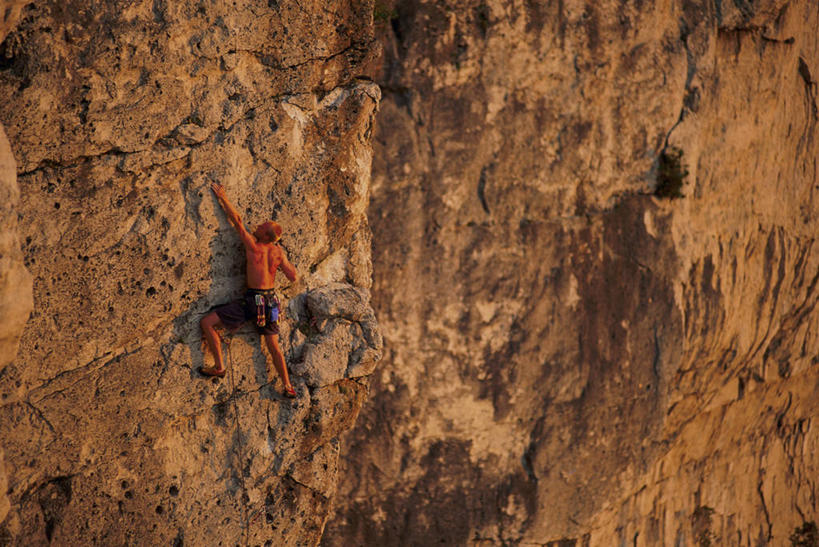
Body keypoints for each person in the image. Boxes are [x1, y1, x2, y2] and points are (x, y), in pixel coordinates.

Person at [199, 182, 298, 398]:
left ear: (264, 235)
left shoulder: (254, 246)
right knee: (274, 346)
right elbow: (293, 276)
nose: (258, 225)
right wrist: (279, 255)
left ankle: (219, 367)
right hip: (271, 303)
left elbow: (237, 221)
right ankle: (288, 386)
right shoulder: (278, 253)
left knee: (207, 323)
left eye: (262, 226)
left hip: (253, 302)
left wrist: (223, 198)